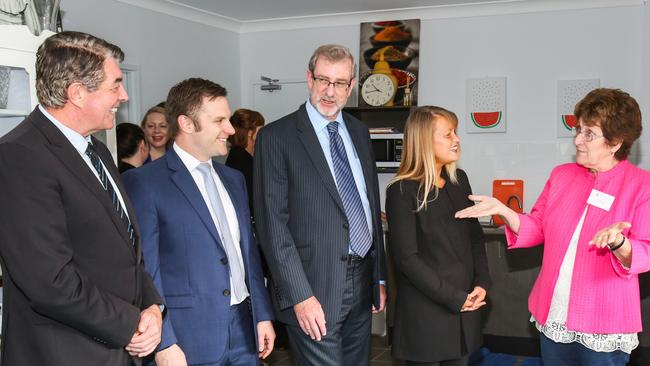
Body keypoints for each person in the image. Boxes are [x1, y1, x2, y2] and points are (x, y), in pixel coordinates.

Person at [0, 31, 163, 366]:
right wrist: (131, 324)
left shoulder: (97, 150)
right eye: (115, 85)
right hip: (66, 353)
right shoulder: (19, 157)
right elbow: (49, 281)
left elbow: (126, 248)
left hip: (118, 348)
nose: (124, 95)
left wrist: (151, 308)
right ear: (76, 93)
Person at [456, 88, 650, 366]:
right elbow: (537, 226)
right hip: (555, 313)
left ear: (615, 141)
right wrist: (504, 211)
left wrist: (620, 243)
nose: (578, 140)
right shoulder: (562, 175)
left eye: (589, 134)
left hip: (604, 319)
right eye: (578, 130)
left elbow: (645, 250)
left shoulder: (642, 185)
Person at [123, 78, 275, 366]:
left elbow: (248, 255)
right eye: (219, 120)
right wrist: (164, 342)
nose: (230, 130)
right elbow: (145, 269)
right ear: (187, 123)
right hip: (187, 337)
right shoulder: (145, 183)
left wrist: (263, 315)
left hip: (244, 329)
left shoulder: (234, 180)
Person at [254, 44, 387, 366]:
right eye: (323, 80)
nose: (330, 91)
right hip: (312, 286)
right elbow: (273, 227)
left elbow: (368, 202)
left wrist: (378, 277)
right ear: (309, 79)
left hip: (361, 279)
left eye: (340, 83)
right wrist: (300, 295)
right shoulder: (276, 137)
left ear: (351, 86)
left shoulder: (358, 131)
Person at [385, 106, 491, 366]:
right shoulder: (402, 191)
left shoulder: (459, 180)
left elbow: (474, 238)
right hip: (427, 318)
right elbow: (407, 260)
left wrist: (482, 283)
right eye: (448, 134)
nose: (456, 139)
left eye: (455, 132)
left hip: (464, 311)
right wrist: (455, 298)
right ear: (423, 140)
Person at [226, 108, 265, 213]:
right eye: (261, 128)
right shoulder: (240, 161)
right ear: (250, 133)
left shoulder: (243, 156)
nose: (265, 132)